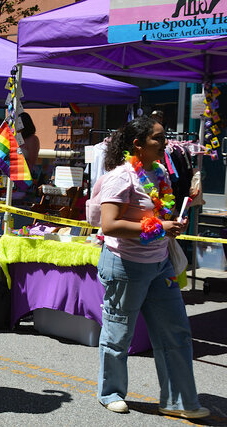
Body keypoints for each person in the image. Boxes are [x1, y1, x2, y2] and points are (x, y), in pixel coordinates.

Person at [97, 115, 209, 419]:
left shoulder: (159, 171)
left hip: (159, 264)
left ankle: (178, 400)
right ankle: (111, 393)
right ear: (138, 145)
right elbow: (109, 225)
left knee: (176, 331)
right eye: (158, 138)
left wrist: (174, 221)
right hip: (125, 265)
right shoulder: (121, 176)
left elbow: (159, 211)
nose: (165, 143)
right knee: (119, 333)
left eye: (164, 137)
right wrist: (160, 227)